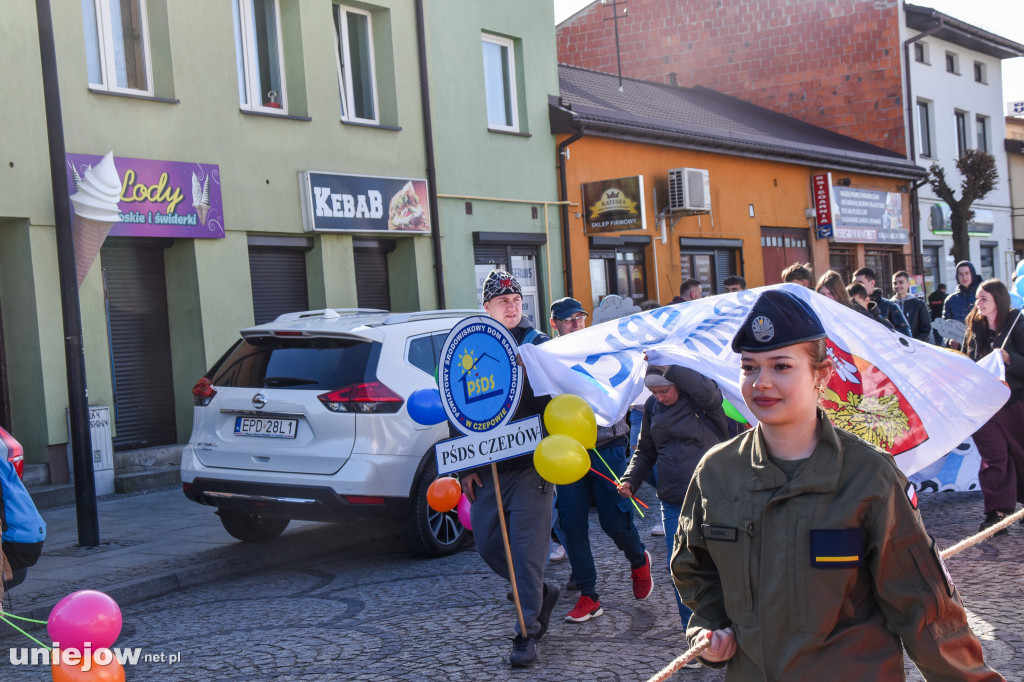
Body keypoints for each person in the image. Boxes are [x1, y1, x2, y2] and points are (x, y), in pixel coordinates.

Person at [672, 289, 1002, 679]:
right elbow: (695, 571)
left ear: (822, 375)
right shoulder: (717, 472)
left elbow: (925, 610)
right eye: (749, 367)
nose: (761, 382)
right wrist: (710, 628)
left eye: (780, 366)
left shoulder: (869, 476)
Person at [461, 269, 559, 668]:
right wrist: (465, 466)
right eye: (504, 301)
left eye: (517, 300)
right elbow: (458, 407)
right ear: (486, 308)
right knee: (487, 544)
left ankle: (527, 632)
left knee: (528, 552)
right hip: (488, 469)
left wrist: (524, 370)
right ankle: (538, 592)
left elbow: (554, 404)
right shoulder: (470, 347)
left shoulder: (537, 347)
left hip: (532, 466)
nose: (513, 306)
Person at [547, 297, 653, 624]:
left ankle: (638, 559)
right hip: (566, 452)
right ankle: (589, 595)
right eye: (569, 319)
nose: (576, 323)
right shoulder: (547, 357)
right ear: (555, 324)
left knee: (614, 520)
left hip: (606, 445)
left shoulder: (602, 348)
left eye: (580, 317)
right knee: (571, 523)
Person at [617, 364, 729, 632]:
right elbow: (645, 450)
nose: (660, 397)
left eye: (664, 391)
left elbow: (709, 392)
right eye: (653, 392)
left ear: (678, 383)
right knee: (681, 570)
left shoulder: (702, 400)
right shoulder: (654, 408)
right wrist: (630, 479)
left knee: (721, 567)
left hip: (713, 498)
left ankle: (729, 628)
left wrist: (671, 365)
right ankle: (696, 636)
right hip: (673, 501)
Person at [962, 279, 1024, 534]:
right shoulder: (974, 326)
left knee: (1020, 455)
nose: (978, 304)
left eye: (983, 299)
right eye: (977, 298)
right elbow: (967, 360)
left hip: (1013, 401)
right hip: (983, 405)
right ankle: (997, 513)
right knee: (994, 458)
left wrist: (1010, 359)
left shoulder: (1018, 325)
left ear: (998, 300)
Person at [853, 267, 911, 336]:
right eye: (854, 283)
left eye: (860, 283)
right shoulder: (849, 307)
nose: (856, 286)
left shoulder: (889, 306)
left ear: (872, 283)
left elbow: (905, 337)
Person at [945, 261, 981, 350]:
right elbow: (945, 326)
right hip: (960, 348)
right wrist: (949, 340)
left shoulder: (982, 296)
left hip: (981, 346)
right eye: (961, 274)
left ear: (972, 274)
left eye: (967, 273)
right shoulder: (951, 300)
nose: (964, 277)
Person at [891, 270, 932, 342]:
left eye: (901, 282)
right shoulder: (889, 305)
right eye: (895, 283)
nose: (897, 286)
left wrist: (916, 343)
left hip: (915, 348)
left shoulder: (919, 304)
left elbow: (926, 329)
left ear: (908, 284)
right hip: (895, 348)